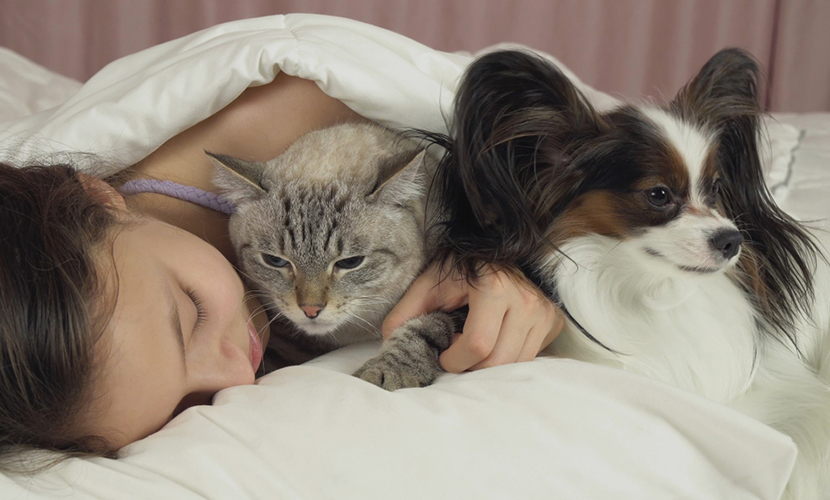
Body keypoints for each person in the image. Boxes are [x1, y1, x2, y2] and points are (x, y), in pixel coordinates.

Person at [0, 72, 564, 470]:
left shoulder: (294, 111)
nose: (237, 378)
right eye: (184, 407)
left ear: (101, 199)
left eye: (193, 313)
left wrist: (504, 252)